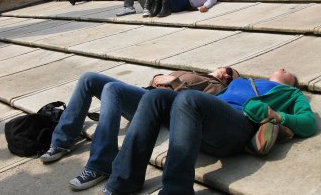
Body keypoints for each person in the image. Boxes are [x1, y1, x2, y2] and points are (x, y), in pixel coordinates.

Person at [103, 68, 317, 195]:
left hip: (238, 127)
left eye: (287, 71)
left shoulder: (291, 93)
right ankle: (123, 181)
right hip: (205, 122)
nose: (281, 68)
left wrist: (279, 117)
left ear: (292, 82)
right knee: (154, 97)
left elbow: (308, 123)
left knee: (189, 99)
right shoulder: (242, 81)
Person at [39, 67, 240, 191]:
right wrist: (159, 78)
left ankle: (100, 165)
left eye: (229, 73)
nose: (225, 70)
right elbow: (157, 80)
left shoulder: (215, 87)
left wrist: (173, 82)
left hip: (156, 107)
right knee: (88, 77)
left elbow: (192, 105)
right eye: (225, 68)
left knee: (111, 89)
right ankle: (62, 140)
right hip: (143, 94)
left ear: (226, 78)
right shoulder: (193, 72)